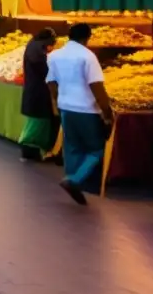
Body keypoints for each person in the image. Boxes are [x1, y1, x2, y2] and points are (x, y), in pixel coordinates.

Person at [47, 23, 114, 205]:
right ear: (87, 38)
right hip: (86, 110)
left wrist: (57, 101)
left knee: (72, 148)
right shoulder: (88, 56)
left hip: (66, 108)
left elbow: (51, 83)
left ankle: (73, 179)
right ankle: (75, 180)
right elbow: (96, 86)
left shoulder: (55, 55)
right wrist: (106, 111)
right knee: (96, 149)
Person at [20, 28, 59, 161]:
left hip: (34, 91)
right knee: (37, 123)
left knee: (35, 122)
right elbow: (45, 71)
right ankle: (29, 149)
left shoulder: (33, 45)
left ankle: (31, 150)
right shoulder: (37, 51)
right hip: (38, 92)